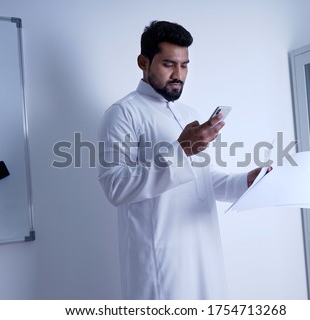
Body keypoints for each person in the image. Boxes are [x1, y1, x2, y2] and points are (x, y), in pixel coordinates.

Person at [98, 20, 266, 300]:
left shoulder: (188, 113)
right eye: (168, 64)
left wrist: (244, 181)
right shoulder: (122, 113)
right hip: (160, 262)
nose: (179, 74)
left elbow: (204, 180)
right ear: (143, 62)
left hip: (204, 254)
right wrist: (181, 150)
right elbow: (115, 187)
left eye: (185, 65)